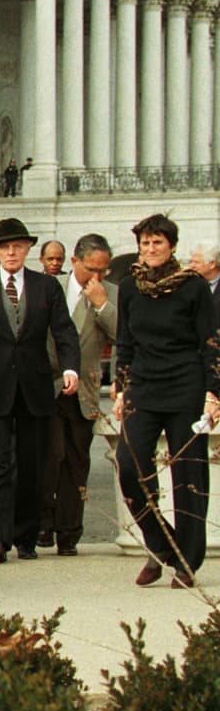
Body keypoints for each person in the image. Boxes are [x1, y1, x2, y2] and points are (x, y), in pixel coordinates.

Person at [0, 217, 79, 564]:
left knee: (32, 463)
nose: (11, 252)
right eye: (4, 247)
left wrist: (70, 367)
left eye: (17, 246)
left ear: (28, 249)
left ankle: (26, 536)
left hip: (35, 386)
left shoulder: (46, 287)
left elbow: (64, 331)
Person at [114, 214, 219, 589]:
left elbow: (211, 341)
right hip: (143, 386)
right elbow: (124, 342)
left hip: (185, 387)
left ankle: (186, 563)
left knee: (187, 478)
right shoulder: (129, 287)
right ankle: (161, 546)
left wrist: (213, 394)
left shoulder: (193, 287)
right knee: (130, 468)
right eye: (144, 243)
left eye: (157, 242)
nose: (150, 248)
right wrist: (121, 389)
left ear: (171, 246)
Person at [39, 233, 116, 556]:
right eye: (90, 269)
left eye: (103, 270)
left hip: (83, 392)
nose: (96, 277)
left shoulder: (110, 294)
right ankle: (44, 522)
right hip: (47, 387)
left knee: (76, 461)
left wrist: (102, 305)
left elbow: (123, 334)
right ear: (74, 262)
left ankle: (69, 532)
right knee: (50, 456)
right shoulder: (49, 288)